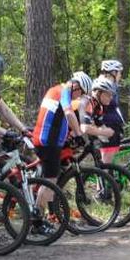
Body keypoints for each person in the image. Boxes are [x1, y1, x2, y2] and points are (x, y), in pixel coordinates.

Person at [31, 72, 89, 227]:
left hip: (49, 141)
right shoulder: (63, 91)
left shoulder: (57, 90)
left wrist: (69, 136)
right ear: (75, 85)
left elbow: (60, 118)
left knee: (49, 179)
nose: (79, 96)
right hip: (47, 142)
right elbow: (69, 113)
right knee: (50, 181)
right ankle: (37, 221)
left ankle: (43, 214)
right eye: (81, 92)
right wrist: (78, 134)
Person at [95, 59, 125, 162]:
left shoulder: (113, 85)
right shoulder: (101, 85)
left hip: (114, 126)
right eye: (119, 72)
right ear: (113, 72)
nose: (120, 75)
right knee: (107, 164)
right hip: (106, 127)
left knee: (112, 163)